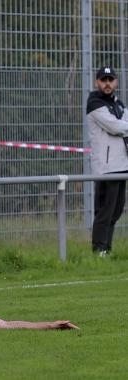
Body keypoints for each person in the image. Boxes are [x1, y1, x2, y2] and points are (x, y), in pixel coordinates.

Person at [87, 66, 128, 257]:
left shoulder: (118, 103)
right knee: (105, 211)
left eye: (111, 79)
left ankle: (107, 250)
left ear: (116, 82)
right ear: (97, 82)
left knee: (116, 211)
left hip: (122, 166)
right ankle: (99, 250)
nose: (107, 83)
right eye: (104, 80)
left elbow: (123, 123)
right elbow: (114, 126)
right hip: (106, 168)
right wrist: (123, 126)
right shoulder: (94, 101)